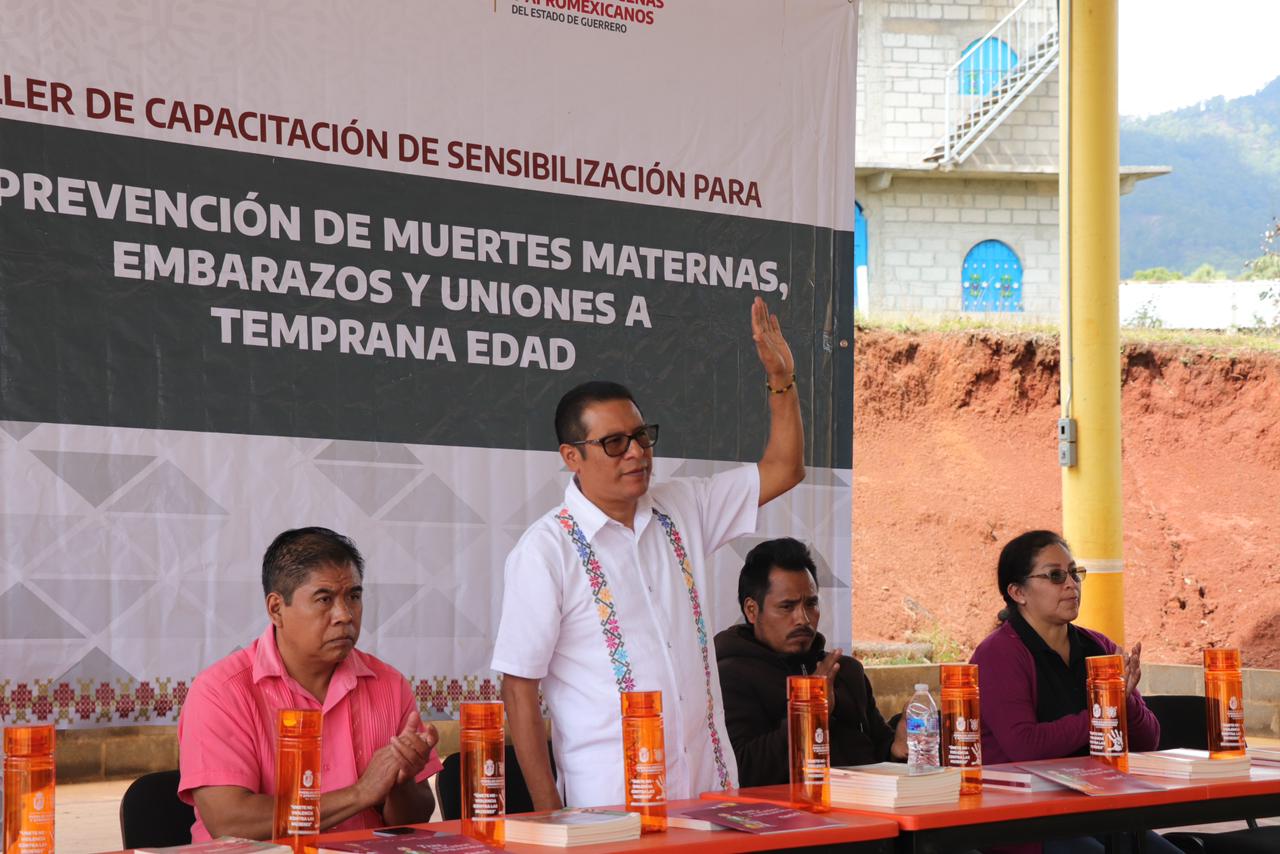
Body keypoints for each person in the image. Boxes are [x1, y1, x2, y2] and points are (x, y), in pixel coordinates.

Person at [491, 296, 806, 810]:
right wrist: (549, 818)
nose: (636, 452)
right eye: (614, 443)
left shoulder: (682, 506)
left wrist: (781, 380)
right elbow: (519, 687)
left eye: (641, 436)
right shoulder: (545, 551)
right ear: (572, 456)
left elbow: (785, 468)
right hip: (611, 807)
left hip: (710, 791)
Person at [177, 527, 441, 841]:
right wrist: (360, 793)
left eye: (353, 596)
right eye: (324, 599)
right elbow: (230, 821)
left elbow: (416, 815)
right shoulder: (220, 691)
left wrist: (401, 781)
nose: (345, 614)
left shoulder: (389, 684)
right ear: (276, 609)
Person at [971, 530, 1179, 854]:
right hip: (1022, 818)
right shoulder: (998, 654)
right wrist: (1104, 711)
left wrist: (1125, 703)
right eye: (1055, 575)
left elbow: (1147, 741)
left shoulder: (1100, 647)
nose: (1071, 584)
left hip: (1096, 809)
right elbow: (1025, 746)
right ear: (1017, 592)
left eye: (1074, 573)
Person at [715, 537, 906, 786]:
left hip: (868, 812)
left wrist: (897, 749)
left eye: (811, 604)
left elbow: (877, 751)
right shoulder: (729, 676)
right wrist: (809, 712)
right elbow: (743, 771)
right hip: (789, 820)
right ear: (752, 610)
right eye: (787, 607)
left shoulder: (846, 671)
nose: (803, 618)